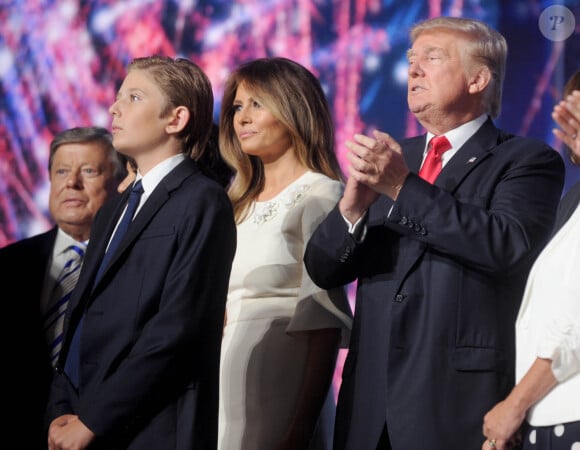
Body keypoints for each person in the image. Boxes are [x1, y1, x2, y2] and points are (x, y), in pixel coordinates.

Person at [303, 16, 566, 450]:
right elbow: (323, 269)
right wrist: (351, 210)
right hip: (370, 404)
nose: (413, 70)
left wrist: (401, 188)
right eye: (410, 60)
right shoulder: (395, 158)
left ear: (478, 78)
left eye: (432, 57)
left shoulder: (525, 160)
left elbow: (506, 245)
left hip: (455, 404)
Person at [46, 55, 237, 450]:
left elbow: (176, 330)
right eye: (117, 97)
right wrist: (62, 407)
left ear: (176, 119)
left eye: (133, 97)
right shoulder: (115, 208)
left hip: (152, 428)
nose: (114, 108)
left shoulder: (202, 201)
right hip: (84, 421)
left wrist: (94, 420)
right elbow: (81, 315)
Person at [217, 56, 352, 450]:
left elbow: (324, 320)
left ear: (294, 108)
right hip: (224, 379)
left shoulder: (320, 194)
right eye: (237, 107)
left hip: (282, 384)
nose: (242, 118)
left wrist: (301, 426)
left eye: (257, 104)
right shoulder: (233, 203)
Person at [0, 126, 125, 448]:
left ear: (119, 182)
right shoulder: (9, 264)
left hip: (107, 432)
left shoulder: (136, 262)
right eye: (62, 171)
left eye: (89, 170)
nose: (72, 182)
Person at [481, 72, 580, 450]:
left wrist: (514, 405)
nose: (568, 127)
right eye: (567, 112)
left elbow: (574, 324)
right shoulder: (572, 203)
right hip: (549, 415)